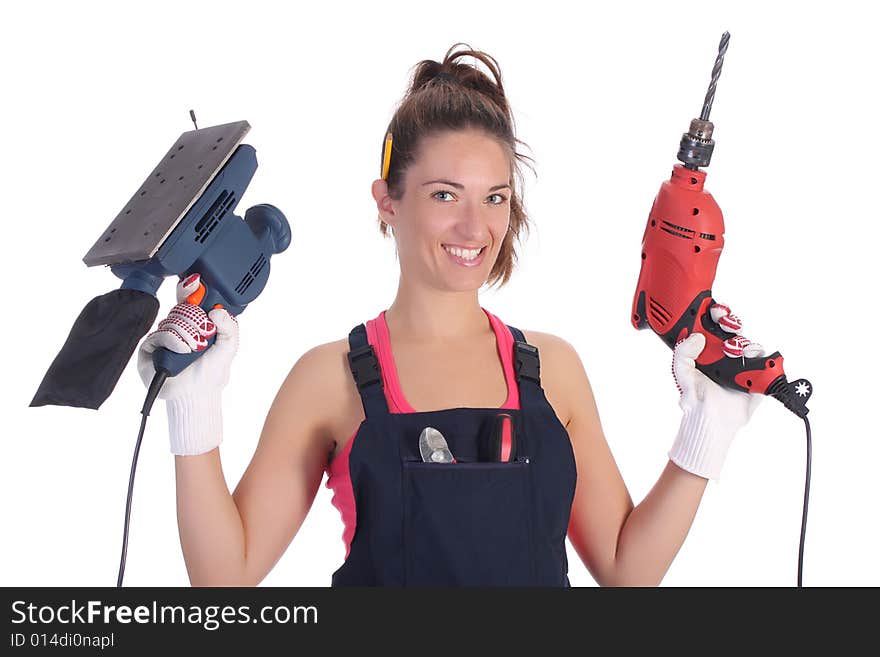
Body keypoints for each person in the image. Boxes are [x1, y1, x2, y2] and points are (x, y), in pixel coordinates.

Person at [137, 44, 764, 587]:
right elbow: (225, 578)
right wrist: (194, 409)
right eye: (444, 195)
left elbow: (628, 570)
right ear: (387, 201)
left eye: (494, 198)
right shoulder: (327, 380)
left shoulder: (553, 370)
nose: (474, 227)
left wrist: (706, 433)